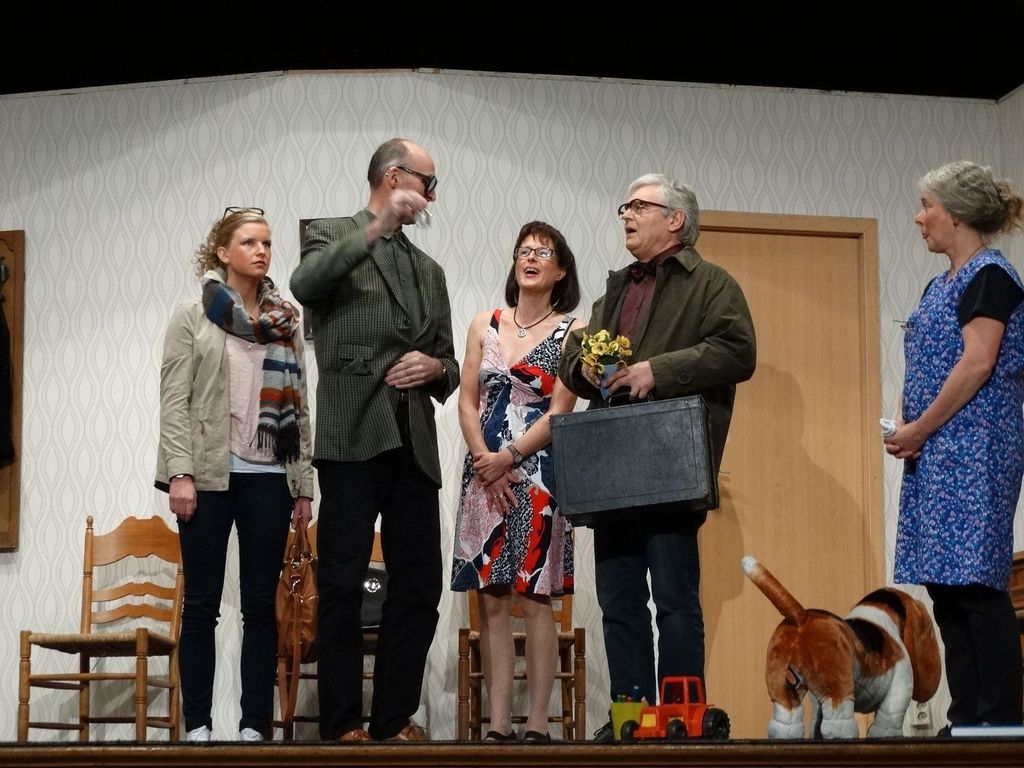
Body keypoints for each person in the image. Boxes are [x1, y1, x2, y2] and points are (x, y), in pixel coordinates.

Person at [557, 173, 756, 739]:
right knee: (619, 600)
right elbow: (572, 354)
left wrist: (657, 371)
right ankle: (630, 716)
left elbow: (738, 350)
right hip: (613, 466)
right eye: (625, 206)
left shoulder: (712, 284)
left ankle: (681, 718)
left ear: (675, 220)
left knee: (673, 597)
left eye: (638, 205)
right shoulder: (616, 288)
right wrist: (585, 368)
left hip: (671, 465)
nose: (626, 214)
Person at [289, 138, 460, 742]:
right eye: (428, 183)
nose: (432, 195)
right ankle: (341, 724)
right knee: (341, 581)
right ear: (394, 176)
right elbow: (306, 283)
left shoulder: (430, 271)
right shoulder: (333, 233)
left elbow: (450, 362)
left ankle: (391, 719)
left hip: (412, 439)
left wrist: (436, 369)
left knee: (419, 585)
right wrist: (378, 226)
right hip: (353, 432)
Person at [156, 207, 315, 742]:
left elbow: (302, 408)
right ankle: (198, 726)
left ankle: (254, 727)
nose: (261, 250)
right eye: (249, 242)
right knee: (201, 606)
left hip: (269, 477)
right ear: (223, 253)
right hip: (207, 475)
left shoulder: (286, 320)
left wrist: (303, 486)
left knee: (260, 608)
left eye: (266, 242)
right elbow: (174, 402)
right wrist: (179, 473)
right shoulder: (191, 315)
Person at [884, 160, 1024, 732]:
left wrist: (921, 427)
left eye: (928, 207)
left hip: (976, 448)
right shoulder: (937, 284)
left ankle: (999, 721)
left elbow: (978, 361)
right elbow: (927, 359)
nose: (919, 218)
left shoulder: (992, 276)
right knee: (946, 586)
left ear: (959, 214)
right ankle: (967, 718)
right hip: (938, 450)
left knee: (977, 585)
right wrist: (904, 420)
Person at [451, 221, 583, 742]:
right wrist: (485, 460)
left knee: (535, 596)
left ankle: (538, 726)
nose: (530, 259)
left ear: (561, 270)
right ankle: (500, 725)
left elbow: (560, 411)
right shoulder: (484, 323)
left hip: (538, 474)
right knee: (492, 599)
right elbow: (467, 400)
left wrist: (508, 457)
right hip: (483, 475)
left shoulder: (572, 331)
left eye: (543, 253)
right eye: (524, 251)